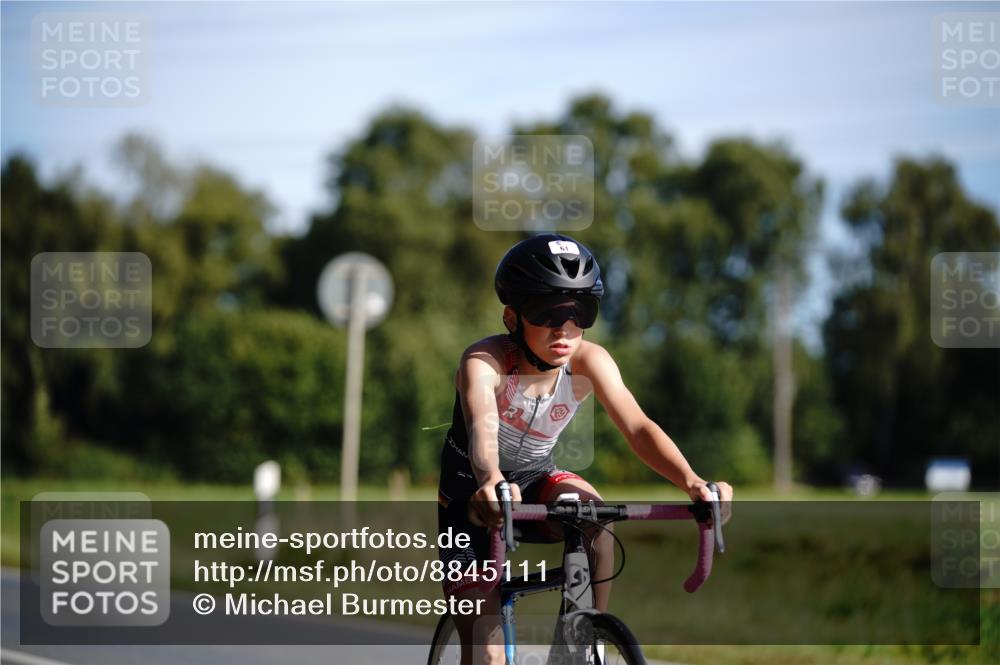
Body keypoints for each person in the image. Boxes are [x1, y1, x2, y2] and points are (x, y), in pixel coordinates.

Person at [437, 233, 733, 665]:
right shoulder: (485, 361)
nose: (565, 328)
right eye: (547, 311)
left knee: (594, 513)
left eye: (580, 312)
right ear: (511, 317)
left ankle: (586, 639)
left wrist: (693, 483)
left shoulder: (589, 361)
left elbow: (638, 427)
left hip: (537, 479)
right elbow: (482, 425)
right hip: (473, 500)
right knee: (487, 652)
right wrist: (490, 479)